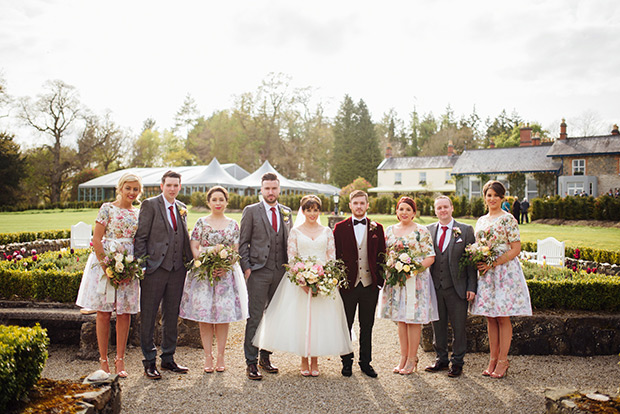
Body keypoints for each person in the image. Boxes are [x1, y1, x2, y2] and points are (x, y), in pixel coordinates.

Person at [253, 195, 352, 377]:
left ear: (319, 211)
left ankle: (315, 360)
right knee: (301, 321)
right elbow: (292, 258)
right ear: (303, 211)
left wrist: (324, 279)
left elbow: (331, 257)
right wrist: (302, 280)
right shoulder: (296, 232)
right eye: (308, 210)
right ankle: (303, 360)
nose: (312, 213)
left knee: (319, 321)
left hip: (323, 282)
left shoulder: (327, 232)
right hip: (300, 283)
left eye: (315, 210)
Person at [76, 172, 143, 378]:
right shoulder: (107, 208)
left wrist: (132, 267)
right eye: (128, 188)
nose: (131, 192)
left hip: (129, 263)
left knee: (124, 313)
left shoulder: (138, 213)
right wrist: (107, 267)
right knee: (103, 313)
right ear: (120, 188)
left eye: (135, 189)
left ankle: (120, 360)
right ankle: (103, 360)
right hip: (106, 262)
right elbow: (97, 239)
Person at [179, 186, 248, 373]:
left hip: (225, 275)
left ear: (226, 202)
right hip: (204, 274)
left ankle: (220, 356)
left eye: (221, 199)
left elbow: (235, 249)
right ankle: (207, 356)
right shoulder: (201, 222)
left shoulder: (233, 224)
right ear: (208, 202)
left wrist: (224, 266)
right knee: (205, 316)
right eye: (214, 199)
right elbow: (194, 245)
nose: (218, 203)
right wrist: (204, 262)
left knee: (223, 317)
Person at [470, 181, 532, 379]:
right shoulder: (480, 220)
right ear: (485, 197)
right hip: (487, 274)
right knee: (490, 316)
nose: (492, 199)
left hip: (503, 271)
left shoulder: (508, 219)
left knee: (502, 316)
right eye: (489, 195)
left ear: (502, 198)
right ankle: (492, 359)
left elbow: (515, 248)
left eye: (496, 195)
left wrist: (494, 263)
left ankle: (503, 361)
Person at [134, 170, 193, 380]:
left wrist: (191, 263)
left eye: (176, 185)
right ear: (162, 185)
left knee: (171, 315)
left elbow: (183, 238)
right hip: (154, 269)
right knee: (149, 315)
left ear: (180, 186)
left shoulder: (182, 208)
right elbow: (141, 237)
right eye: (169, 185)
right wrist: (142, 265)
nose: (172, 189)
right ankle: (149, 361)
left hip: (177, 270)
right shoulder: (150, 205)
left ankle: (168, 358)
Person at [239, 172, 292, 380]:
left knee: (273, 317)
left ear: (279, 189)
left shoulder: (286, 212)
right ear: (261, 190)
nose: (271, 192)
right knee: (255, 317)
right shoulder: (251, 211)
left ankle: (265, 357)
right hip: (258, 272)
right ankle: (250, 362)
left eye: (274, 188)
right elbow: (243, 242)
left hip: (280, 272)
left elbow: (290, 241)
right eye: (267, 188)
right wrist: (247, 268)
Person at [378, 196, 437, 375]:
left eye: (408, 210)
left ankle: (412, 358)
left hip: (416, 281)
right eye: (401, 209)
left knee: (413, 320)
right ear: (397, 211)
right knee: (401, 319)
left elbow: (430, 256)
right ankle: (403, 357)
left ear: (414, 213)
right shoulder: (389, 230)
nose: (404, 212)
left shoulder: (421, 231)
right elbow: (384, 254)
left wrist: (412, 270)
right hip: (396, 281)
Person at [334, 190, 386, 378]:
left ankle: (366, 363)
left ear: (367, 205)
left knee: (367, 325)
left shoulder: (377, 228)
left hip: (369, 285)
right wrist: (339, 281)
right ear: (350, 205)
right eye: (355, 203)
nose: (358, 206)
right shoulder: (339, 228)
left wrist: (379, 282)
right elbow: (335, 257)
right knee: (345, 325)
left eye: (362, 203)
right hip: (348, 286)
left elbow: (382, 255)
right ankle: (346, 362)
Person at [425, 196, 477, 377]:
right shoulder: (428, 230)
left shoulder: (465, 230)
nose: (442, 210)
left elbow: (471, 262)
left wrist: (472, 287)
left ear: (452, 208)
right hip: (435, 287)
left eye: (445, 207)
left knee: (458, 326)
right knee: (437, 325)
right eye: (439, 208)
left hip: (457, 287)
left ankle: (457, 362)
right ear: (435, 210)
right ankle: (441, 359)